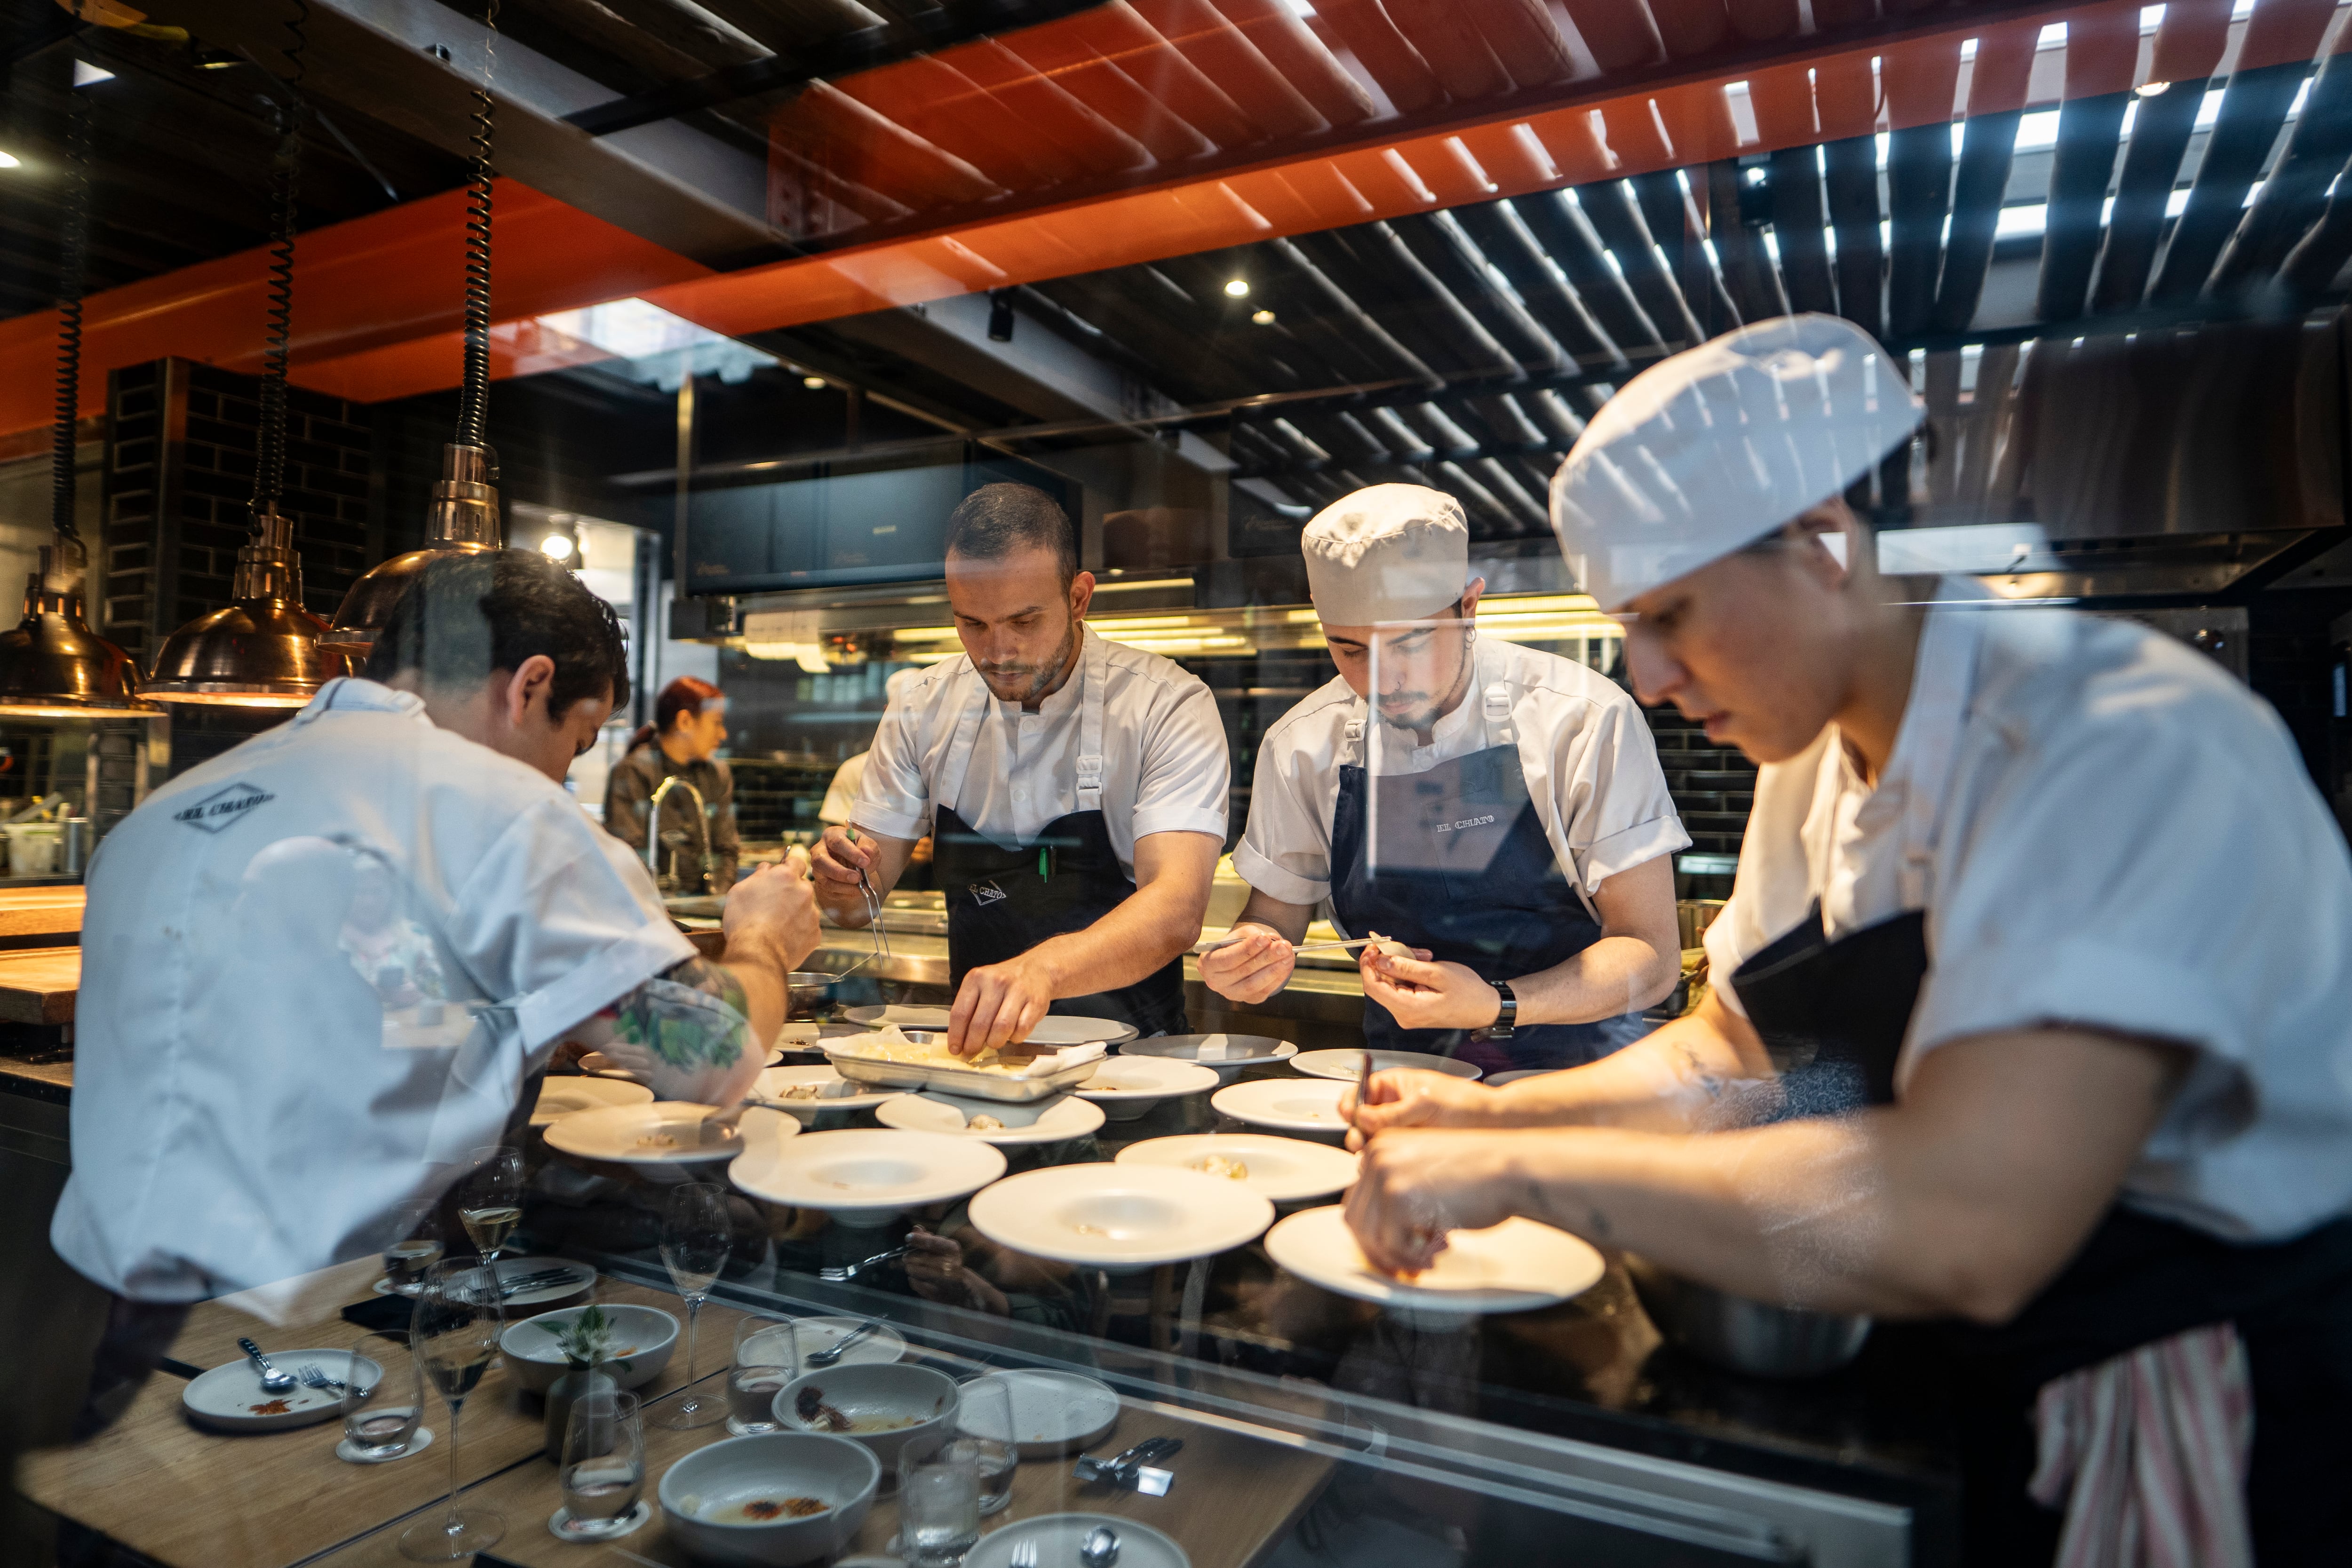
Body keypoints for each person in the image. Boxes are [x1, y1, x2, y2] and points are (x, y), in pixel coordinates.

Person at [1336, 317, 2352, 1563]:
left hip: (2178, 1405)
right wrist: (1482, 1119)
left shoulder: (2115, 744)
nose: (1644, 673)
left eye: (1670, 612)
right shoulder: (1815, 756)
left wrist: (1532, 1175)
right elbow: (1737, 1058)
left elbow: (1970, 1217)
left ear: (1825, 542)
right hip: (1944, 1366)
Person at [50, 549, 818, 1424]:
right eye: (576, 741)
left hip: (104, 1338)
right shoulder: (501, 811)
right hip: (321, 1337)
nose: (565, 775)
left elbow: (341, 1012)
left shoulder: (165, 813)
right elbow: (711, 1055)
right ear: (529, 686)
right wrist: (762, 937)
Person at [1200, 484, 1686, 1075]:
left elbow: (1651, 954)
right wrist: (1247, 960)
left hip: (1582, 1078)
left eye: (1409, 641)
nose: (1383, 680)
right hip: (1399, 1077)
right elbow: (1273, 920)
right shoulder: (1303, 743)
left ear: (1468, 606)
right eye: (1349, 649)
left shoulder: (1579, 718)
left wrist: (1496, 1004)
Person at [811, 482, 1229, 1054]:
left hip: (1132, 1066)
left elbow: (1176, 909)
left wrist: (1043, 971)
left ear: (1079, 598)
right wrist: (835, 882)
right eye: (972, 624)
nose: (997, 651)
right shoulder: (920, 705)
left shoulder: (1165, 703)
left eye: (1024, 622)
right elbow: (858, 902)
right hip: (977, 1059)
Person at [605, 674, 740, 893]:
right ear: (685, 721)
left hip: (705, 911)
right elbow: (627, 856)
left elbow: (727, 850)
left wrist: (715, 900)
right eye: (717, 723)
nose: (723, 734)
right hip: (650, 912)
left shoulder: (718, 774)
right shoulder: (633, 771)